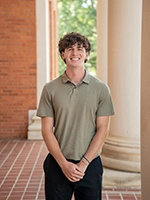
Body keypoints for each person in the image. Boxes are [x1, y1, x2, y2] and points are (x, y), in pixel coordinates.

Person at [37, 32, 115, 200]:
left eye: (80, 49)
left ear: (87, 54)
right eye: (69, 49)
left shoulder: (101, 89)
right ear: (62, 55)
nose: (75, 53)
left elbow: (103, 130)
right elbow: (46, 130)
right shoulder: (50, 89)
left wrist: (84, 163)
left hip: (90, 165)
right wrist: (64, 164)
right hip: (58, 164)